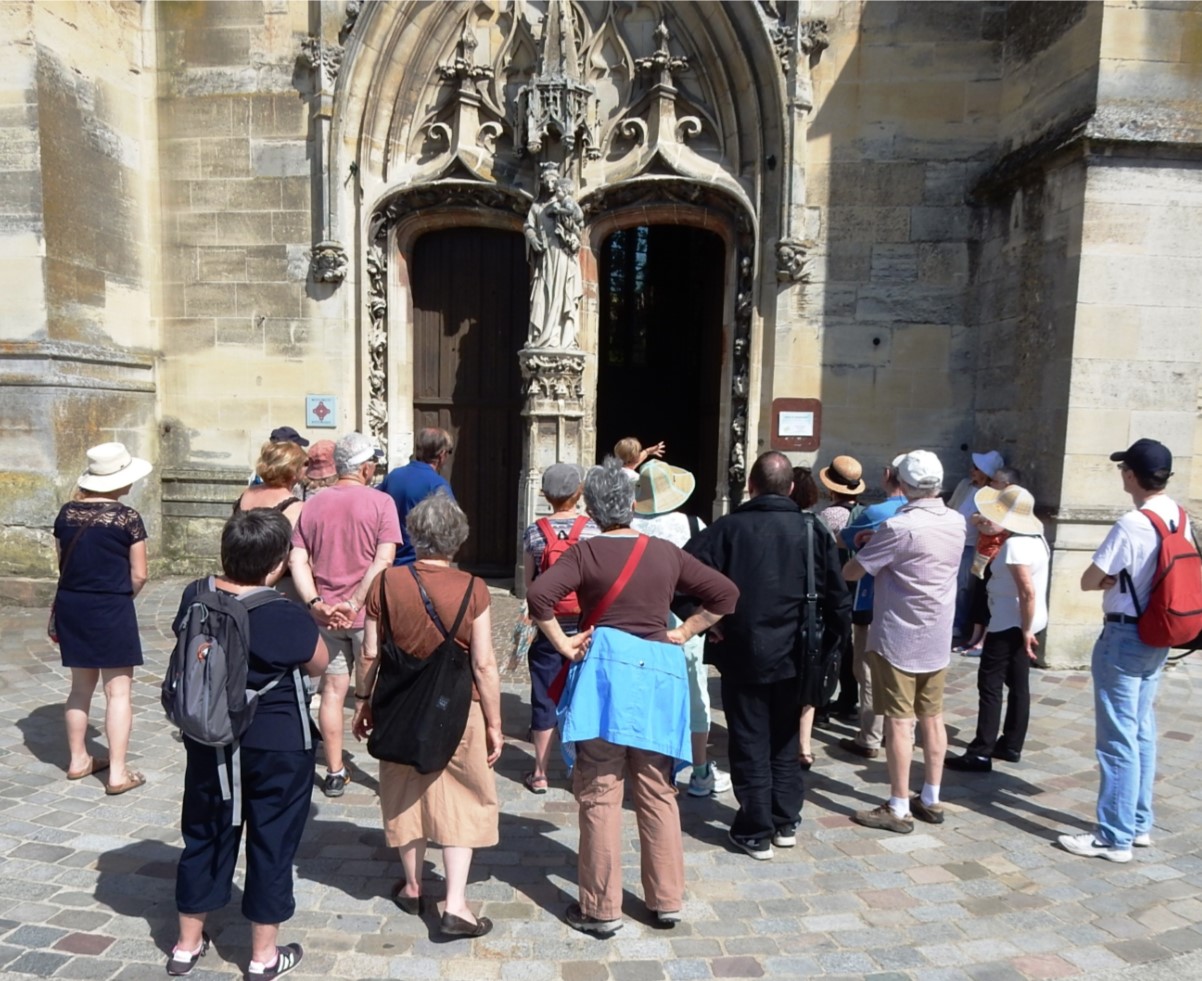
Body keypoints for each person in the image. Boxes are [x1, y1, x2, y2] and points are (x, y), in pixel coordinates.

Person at [527, 458, 738, 933]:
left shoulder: (585, 554)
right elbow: (724, 594)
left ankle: (601, 908)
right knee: (658, 789)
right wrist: (684, 631)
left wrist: (563, 644)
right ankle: (666, 898)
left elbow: (539, 597)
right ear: (632, 504)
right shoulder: (665, 552)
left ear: (594, 508)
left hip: (605, 675)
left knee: (600, 791)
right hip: (657, 674)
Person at [168, 509, 327, 980]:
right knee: (272, 841)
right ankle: (263, 957)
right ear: (278, 564)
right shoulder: (283, 614)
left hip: (209, 736)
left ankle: (185, 945)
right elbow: (317, 664)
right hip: (278, 742)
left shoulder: (195, 595)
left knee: (204, 833)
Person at [352, 495, 503, 938]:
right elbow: (485, 664)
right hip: (457, 709)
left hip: (398, 706)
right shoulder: (474, 587)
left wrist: (363, 700)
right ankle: (455, 903)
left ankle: (415, 886)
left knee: (402, 791)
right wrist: (495, 723)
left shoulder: (384, 584)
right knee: (465, 795)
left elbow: (369, 652)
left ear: (414, 536)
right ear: (458, 539)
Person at [688, 452, 849, 859]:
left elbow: (680, 574)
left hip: (743, 649)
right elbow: (839, 602)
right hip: (799, 653)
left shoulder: (727, 529)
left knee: (750, 739)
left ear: (750, 486)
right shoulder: (814, 531)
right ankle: (783, 819)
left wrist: (702, 619)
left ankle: (757, 827)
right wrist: (828, 648)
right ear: (791, 487)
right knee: (784, 737)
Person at [1060, 438, 1191, 863]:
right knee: (1141, 731)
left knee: (1117, 739)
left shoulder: (1132, 523)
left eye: (1122, 469)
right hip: (1159, 632)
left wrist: (1105, 580)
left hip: (1124, 635)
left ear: (1132, 475)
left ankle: (1112, 837)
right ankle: (1138, 824)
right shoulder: (1180, 516)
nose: (1120, 475)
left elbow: (1089, 577)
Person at [843, 450, 965, 834]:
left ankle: (898, 805)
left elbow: (853, 571)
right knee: (932, 716)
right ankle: (930, 796)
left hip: (899, 635)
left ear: (903, 483)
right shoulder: (957, 521)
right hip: (937, 634)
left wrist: (863, 544)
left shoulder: (899, 527)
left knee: (899, 721)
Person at [290, 432, 402, 797]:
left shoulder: (313, 504)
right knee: (380, 692)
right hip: (367, 616)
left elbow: (298, 559)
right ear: (366, 467)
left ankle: (335, 771)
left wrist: (315, 603)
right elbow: (383, 561)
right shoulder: (381, 503)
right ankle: (388, 773)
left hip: (326, 618)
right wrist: (355, 603)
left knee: (333, 692)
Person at [53, 442, 152, 795]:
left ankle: (79, 759)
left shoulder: (66, 514)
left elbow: (63, 563)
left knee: (80, 688)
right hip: (110, 606)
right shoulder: (127, 518)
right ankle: (118, 773)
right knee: (118, 691)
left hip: (72, 605)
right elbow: (139, 574)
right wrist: (120, 598)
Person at [630, 460, 731, 797]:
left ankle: (644, 767)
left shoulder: (626, 526)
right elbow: (708, 579)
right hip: (681, 621)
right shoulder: (693, 524)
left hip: (636, 619)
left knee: (642, 692)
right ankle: (700, 771)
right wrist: (707, 621)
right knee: (693, 695)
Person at [946, 485, 1049, 773]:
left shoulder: (1016, 545)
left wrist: (1026, 631)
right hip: (1022, 620)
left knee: (990, 684)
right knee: (1018, 684)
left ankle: (981, 751)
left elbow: (1026, 591)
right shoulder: (1037, 538)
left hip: (1010, 623)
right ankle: (1011, 744)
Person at [520, 462, 600, 792]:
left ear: (545, 495)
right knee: (584, 696)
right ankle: (583, 770)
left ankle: (539, 772)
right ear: (579, 492)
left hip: (549, 629)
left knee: (544, 697)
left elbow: (529, 585)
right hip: (585, 629)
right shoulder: (594, 530)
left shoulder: (535, 532)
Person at [836, 455, 907, 761]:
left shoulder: (878, 511)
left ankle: (870, 736)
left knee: (866, 667)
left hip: (871, 597)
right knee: (901, 669)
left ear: (888, 474)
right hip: (910, 605)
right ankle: (898, 729)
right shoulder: (932, 515)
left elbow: (842, 540)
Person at [788, 465, 835, 770]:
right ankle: (803, 745)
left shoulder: (778, 525)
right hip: (812, 611)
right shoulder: (818, 527)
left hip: (786, 610)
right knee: (808, 675)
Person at [816, 455, 867, 722]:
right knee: (850, 646)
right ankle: (849, 698)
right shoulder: (864, 514)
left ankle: (822, 701)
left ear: (831, 489)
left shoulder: (828, 515)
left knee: (831, 643)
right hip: (858, 588)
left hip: (833, 586)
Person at [958, 466, 1020, 657]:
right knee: (978, 595)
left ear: (1007, 484)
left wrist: (982, 521)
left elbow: (993, 528)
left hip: (996, 555)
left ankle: (983, 640)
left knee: (989, 598)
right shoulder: (991, 500)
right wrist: (982, 520)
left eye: (996, 481)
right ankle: (974, 637)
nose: (991, 484)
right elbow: (975, 518)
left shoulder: (1012, 503)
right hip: (982, 554)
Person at [234, 441, 307, 600]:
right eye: (303, 464)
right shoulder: (295, 506)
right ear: (293, 470)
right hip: (276, 585)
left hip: (239, 576)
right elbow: (286, 557)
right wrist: (260, 588)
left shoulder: (246, 494)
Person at [525, 164, 584, 349]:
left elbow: (578, 229)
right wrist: (533, 238)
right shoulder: (536, 207)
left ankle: (561, 340)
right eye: (547, 181)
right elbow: (528, 226)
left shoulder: (566, 204)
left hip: (563, 256)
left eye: (554, 181)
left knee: (562, 294)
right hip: (545, 258)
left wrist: (570, 232)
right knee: (541, 297)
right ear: (541, 182)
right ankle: (540, 337)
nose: (550, 185)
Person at [948, 449, 1005, 640]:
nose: (972, 470)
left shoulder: (991, 494)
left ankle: (959, 624)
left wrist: (977, 519)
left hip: (974, 544)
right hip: (953, 540)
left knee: (964, 586)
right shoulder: (965, 485)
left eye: (977, 468)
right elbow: (952, 505)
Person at [377, 428, 454, 566]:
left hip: (389, 560)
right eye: (448, 452)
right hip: (421, 566)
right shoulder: (437, 485)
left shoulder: (394, 476)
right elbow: (450, 529)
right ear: (441, 454)